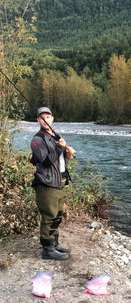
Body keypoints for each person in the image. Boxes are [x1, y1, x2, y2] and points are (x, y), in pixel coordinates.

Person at [30, 107, 75, 260]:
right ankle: (47, 250)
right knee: (49, 216)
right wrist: (59, 147)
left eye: (48, 117)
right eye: (42, 118)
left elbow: (62, 158)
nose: (45, 120)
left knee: (57, 215)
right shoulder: (37, 140)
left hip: (60, 181)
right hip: (46, 183)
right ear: (38, 120)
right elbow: (46, 161)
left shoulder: (56, 136)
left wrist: (68, 153)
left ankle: (54, 243)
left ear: (52, 119)